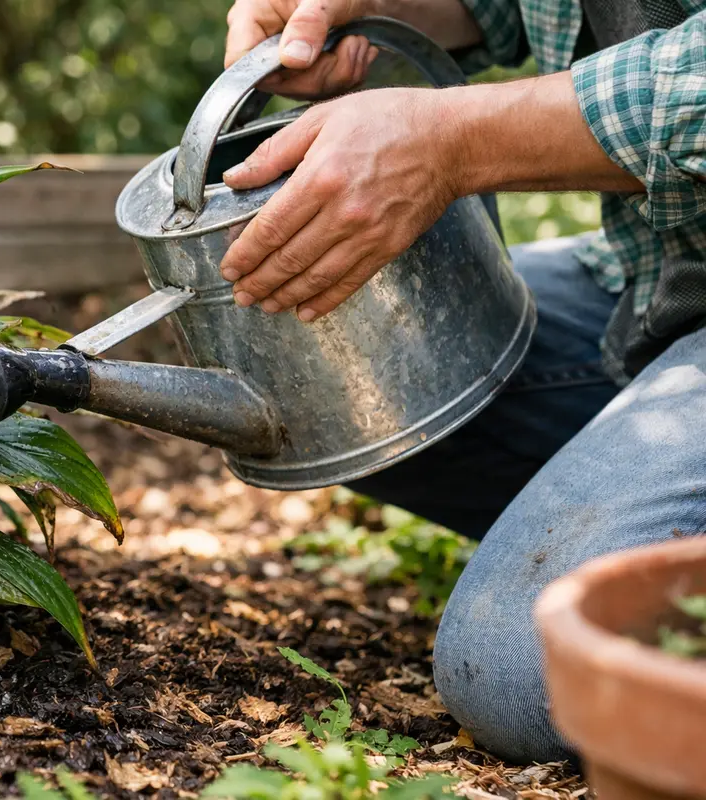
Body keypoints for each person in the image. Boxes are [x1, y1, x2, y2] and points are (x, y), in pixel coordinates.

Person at [219, 0, 706, 765]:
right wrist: (373, 10)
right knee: (339, 384)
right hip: (662, 281)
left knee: (523, 661)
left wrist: (453, 139)